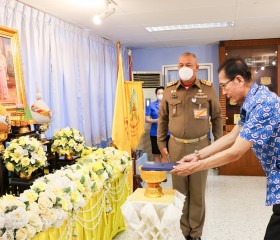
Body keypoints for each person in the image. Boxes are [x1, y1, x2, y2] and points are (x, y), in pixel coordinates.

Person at [171, 57, 280, 240]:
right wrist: (197, 155)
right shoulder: (252, 101)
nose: (223, 92)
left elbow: (235, 152)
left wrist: (194, 167)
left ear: (238, 80)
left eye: (224, 85)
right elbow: (232, 136)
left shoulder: (263, 104)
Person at [157, 52, 223, 240]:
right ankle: (184, 230)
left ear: (196, 67)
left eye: (188, 64)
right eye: (180, 65)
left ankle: (195, 233)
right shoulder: (169, 90)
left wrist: (217, 145)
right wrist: (161, 143)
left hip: (200, 147)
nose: (183, 68)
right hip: (176, 146)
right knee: (179, 193)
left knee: (197, 193)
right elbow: (162, 119)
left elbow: (217, 118)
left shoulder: (208, 89)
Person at [145, 86, 169, 162]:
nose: (160, 95)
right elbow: (147, 119)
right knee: (156, 153)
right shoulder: (151, 106)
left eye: (162, 93)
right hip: (155, 133)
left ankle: (163, 173)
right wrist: (157, 120)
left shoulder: (169, 105)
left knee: (165, 153)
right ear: (156, 95)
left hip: (167, 133)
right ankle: (156, 172)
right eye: (159, 93)